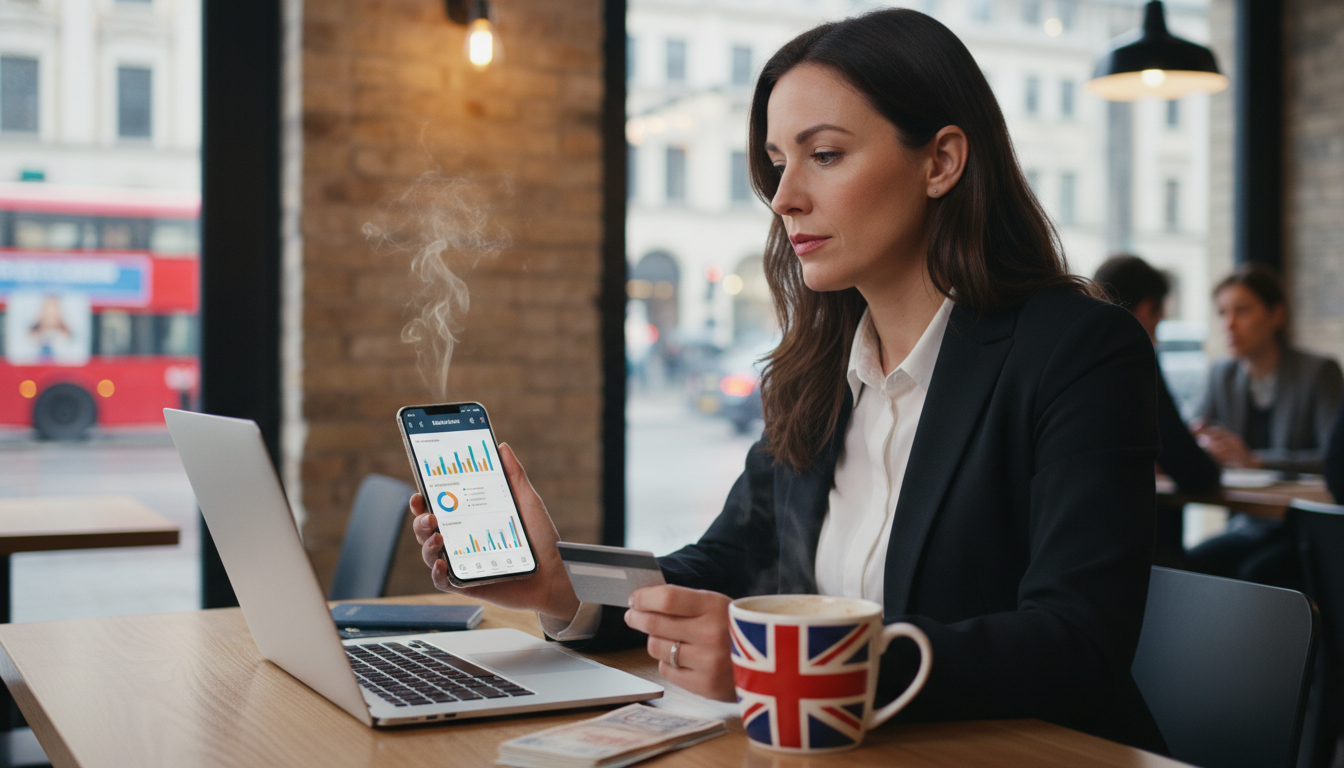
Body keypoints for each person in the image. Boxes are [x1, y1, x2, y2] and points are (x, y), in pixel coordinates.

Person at [411, 9, 1165, 752]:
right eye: (777, 162)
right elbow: (723, 563)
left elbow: (1075, 640)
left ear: (941, 162)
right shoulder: (817, 372)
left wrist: (791, 665)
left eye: (825, 155)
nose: (783, 197)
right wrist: (563, 586)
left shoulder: (1079, 352)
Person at [1186, 264, 1343, 584]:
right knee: (1188, 566)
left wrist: (1256, 461)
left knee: (1254, 574)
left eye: (1242, 310)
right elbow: (1194, 431)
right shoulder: (1222, 374)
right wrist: (1204, 445)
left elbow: (1334, 458)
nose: (1228, 324)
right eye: (1221, 312)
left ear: (1276, 315)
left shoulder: (1319, 372)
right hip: (1249, 521)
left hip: (1302, 528)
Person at [1094, 255, 1220, 569]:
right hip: (1127, 559)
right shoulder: (1132, 358)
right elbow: (1195, 473)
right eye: (1160, 320)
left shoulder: (1070, 353)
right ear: (1149, 308)